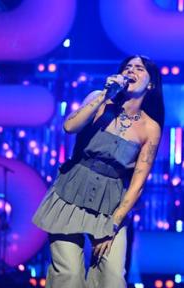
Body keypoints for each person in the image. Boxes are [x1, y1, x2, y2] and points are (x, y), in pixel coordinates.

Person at [33, 55, 164, 288]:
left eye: (139, 68)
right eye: (127, 67)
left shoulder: (150, 128)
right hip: (70, 193)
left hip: (110, 205)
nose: (131, 71)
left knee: (112, 277)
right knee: (69, 275)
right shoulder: (99, 100)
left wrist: (113, 223)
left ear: (151, 83)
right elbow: (69, 126)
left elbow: (138, 182)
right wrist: (105, 94)